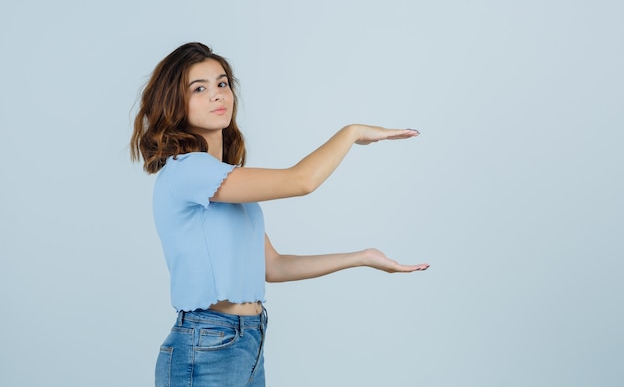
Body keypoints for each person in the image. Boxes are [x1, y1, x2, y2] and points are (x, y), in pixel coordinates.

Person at [130, 42, 429, 387]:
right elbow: (300, 181)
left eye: (222, 83)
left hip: (247, 343)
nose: (217, 95)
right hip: (207, 344)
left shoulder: (225, 182)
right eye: (199, 88)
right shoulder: (188, 171)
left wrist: (361, 257)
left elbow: (273, 266)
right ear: (174, 104)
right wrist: (352, 132)